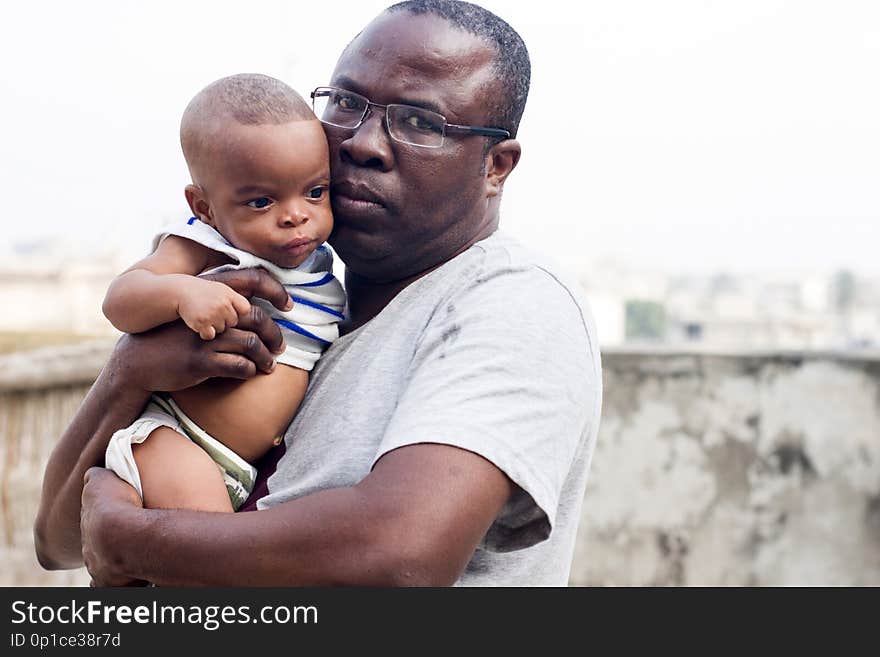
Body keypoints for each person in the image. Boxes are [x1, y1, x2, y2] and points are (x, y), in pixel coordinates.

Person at [34, 0, 602, 586]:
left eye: (420, 122)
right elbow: (59, 541)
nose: (362, 142)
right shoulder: (288, 296)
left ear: (496, 166)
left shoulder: (512, 303)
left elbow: (402, 557)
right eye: (348, 104)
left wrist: (135, 543)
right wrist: (131, 372)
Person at [100, 73, 346, 514]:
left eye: (315, 192)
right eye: (261, 202)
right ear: (205, 208)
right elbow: (120, 299)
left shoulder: (321, 261)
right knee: (212, 556)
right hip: (176, 442)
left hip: (246, 468)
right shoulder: (205, 245)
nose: (296, 216)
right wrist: (182, 294)